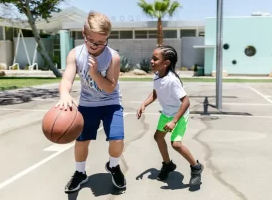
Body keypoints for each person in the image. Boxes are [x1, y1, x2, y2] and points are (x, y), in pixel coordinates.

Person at [56, 11, 126, 193]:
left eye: (101, 42)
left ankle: (113, 166)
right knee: (82, 142)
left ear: (107, 38)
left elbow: (110, 88)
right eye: (91, 41)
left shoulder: (113, 57)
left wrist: (94, 73)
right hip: (87, 104)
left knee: (117, 140)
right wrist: (64, 94)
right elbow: (67, 79)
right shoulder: (75, 54)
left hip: (111, 103)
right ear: (83, 34)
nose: (95, 46)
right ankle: (80, 173)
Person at [136, 45, 204, 185]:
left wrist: (174, 121)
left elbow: (186, 102)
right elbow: (155, 93)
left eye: (155, 59)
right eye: (152, 58)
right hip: (167, 113)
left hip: (179, 115)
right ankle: (168, 165)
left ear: (166, 63)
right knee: (158, 137)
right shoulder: (157, 76)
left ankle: (196, 167)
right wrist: (144, 104)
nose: (151, 61)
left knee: (176, 144)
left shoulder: (172, 80)